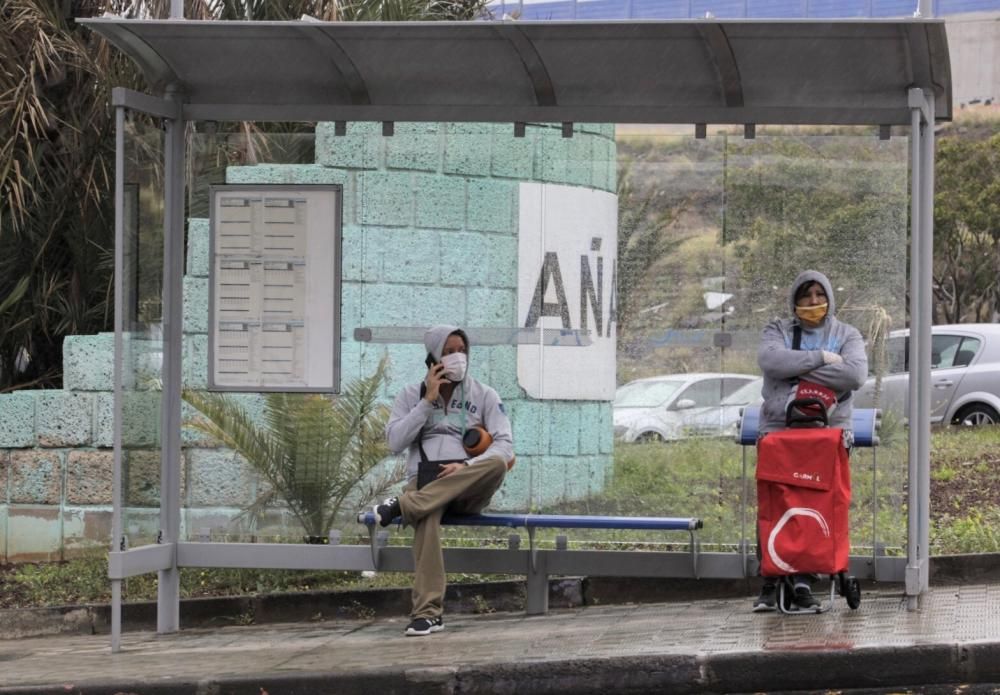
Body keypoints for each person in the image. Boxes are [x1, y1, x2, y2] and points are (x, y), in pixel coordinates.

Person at [370, 324, 513, 636]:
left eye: (461, 350)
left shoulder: (485, 395)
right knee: (427, 516)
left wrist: (466, 466)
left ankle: (402, 506)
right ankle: (428, 614)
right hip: (425, 483)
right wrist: (426, 403)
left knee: (498, 463)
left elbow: (505, 444)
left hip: (467, 486)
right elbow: (394, 442)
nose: (457, 357)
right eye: (448, 352)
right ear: (433, 359)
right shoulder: (410, 395)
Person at [753, 270, 868, 612]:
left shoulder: (847, 334)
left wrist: (794, 369)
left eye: (820, 294)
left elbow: (855, 375)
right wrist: (821, 359)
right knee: (776, 504)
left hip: (828, 434)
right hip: (779, 430)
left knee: (815, 505)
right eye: (806, 295)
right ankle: (771, 577)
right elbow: (771, 361)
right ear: (795, 300)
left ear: (830, 298)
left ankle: (804, 580)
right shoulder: (778, 330)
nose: (814, 301)